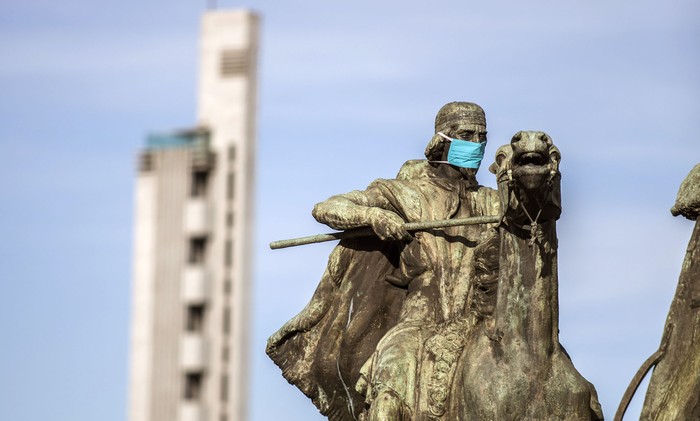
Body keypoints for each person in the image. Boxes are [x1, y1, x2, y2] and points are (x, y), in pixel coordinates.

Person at [267, 102, 500, 420]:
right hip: (421, 325)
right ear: (442, 140)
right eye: (465, 135)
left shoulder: (493, 201)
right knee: (388, 389)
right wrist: (372, 215)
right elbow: (326, 208)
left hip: (484, 326)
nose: (475, 144)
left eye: (481, 136)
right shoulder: (405, 194)